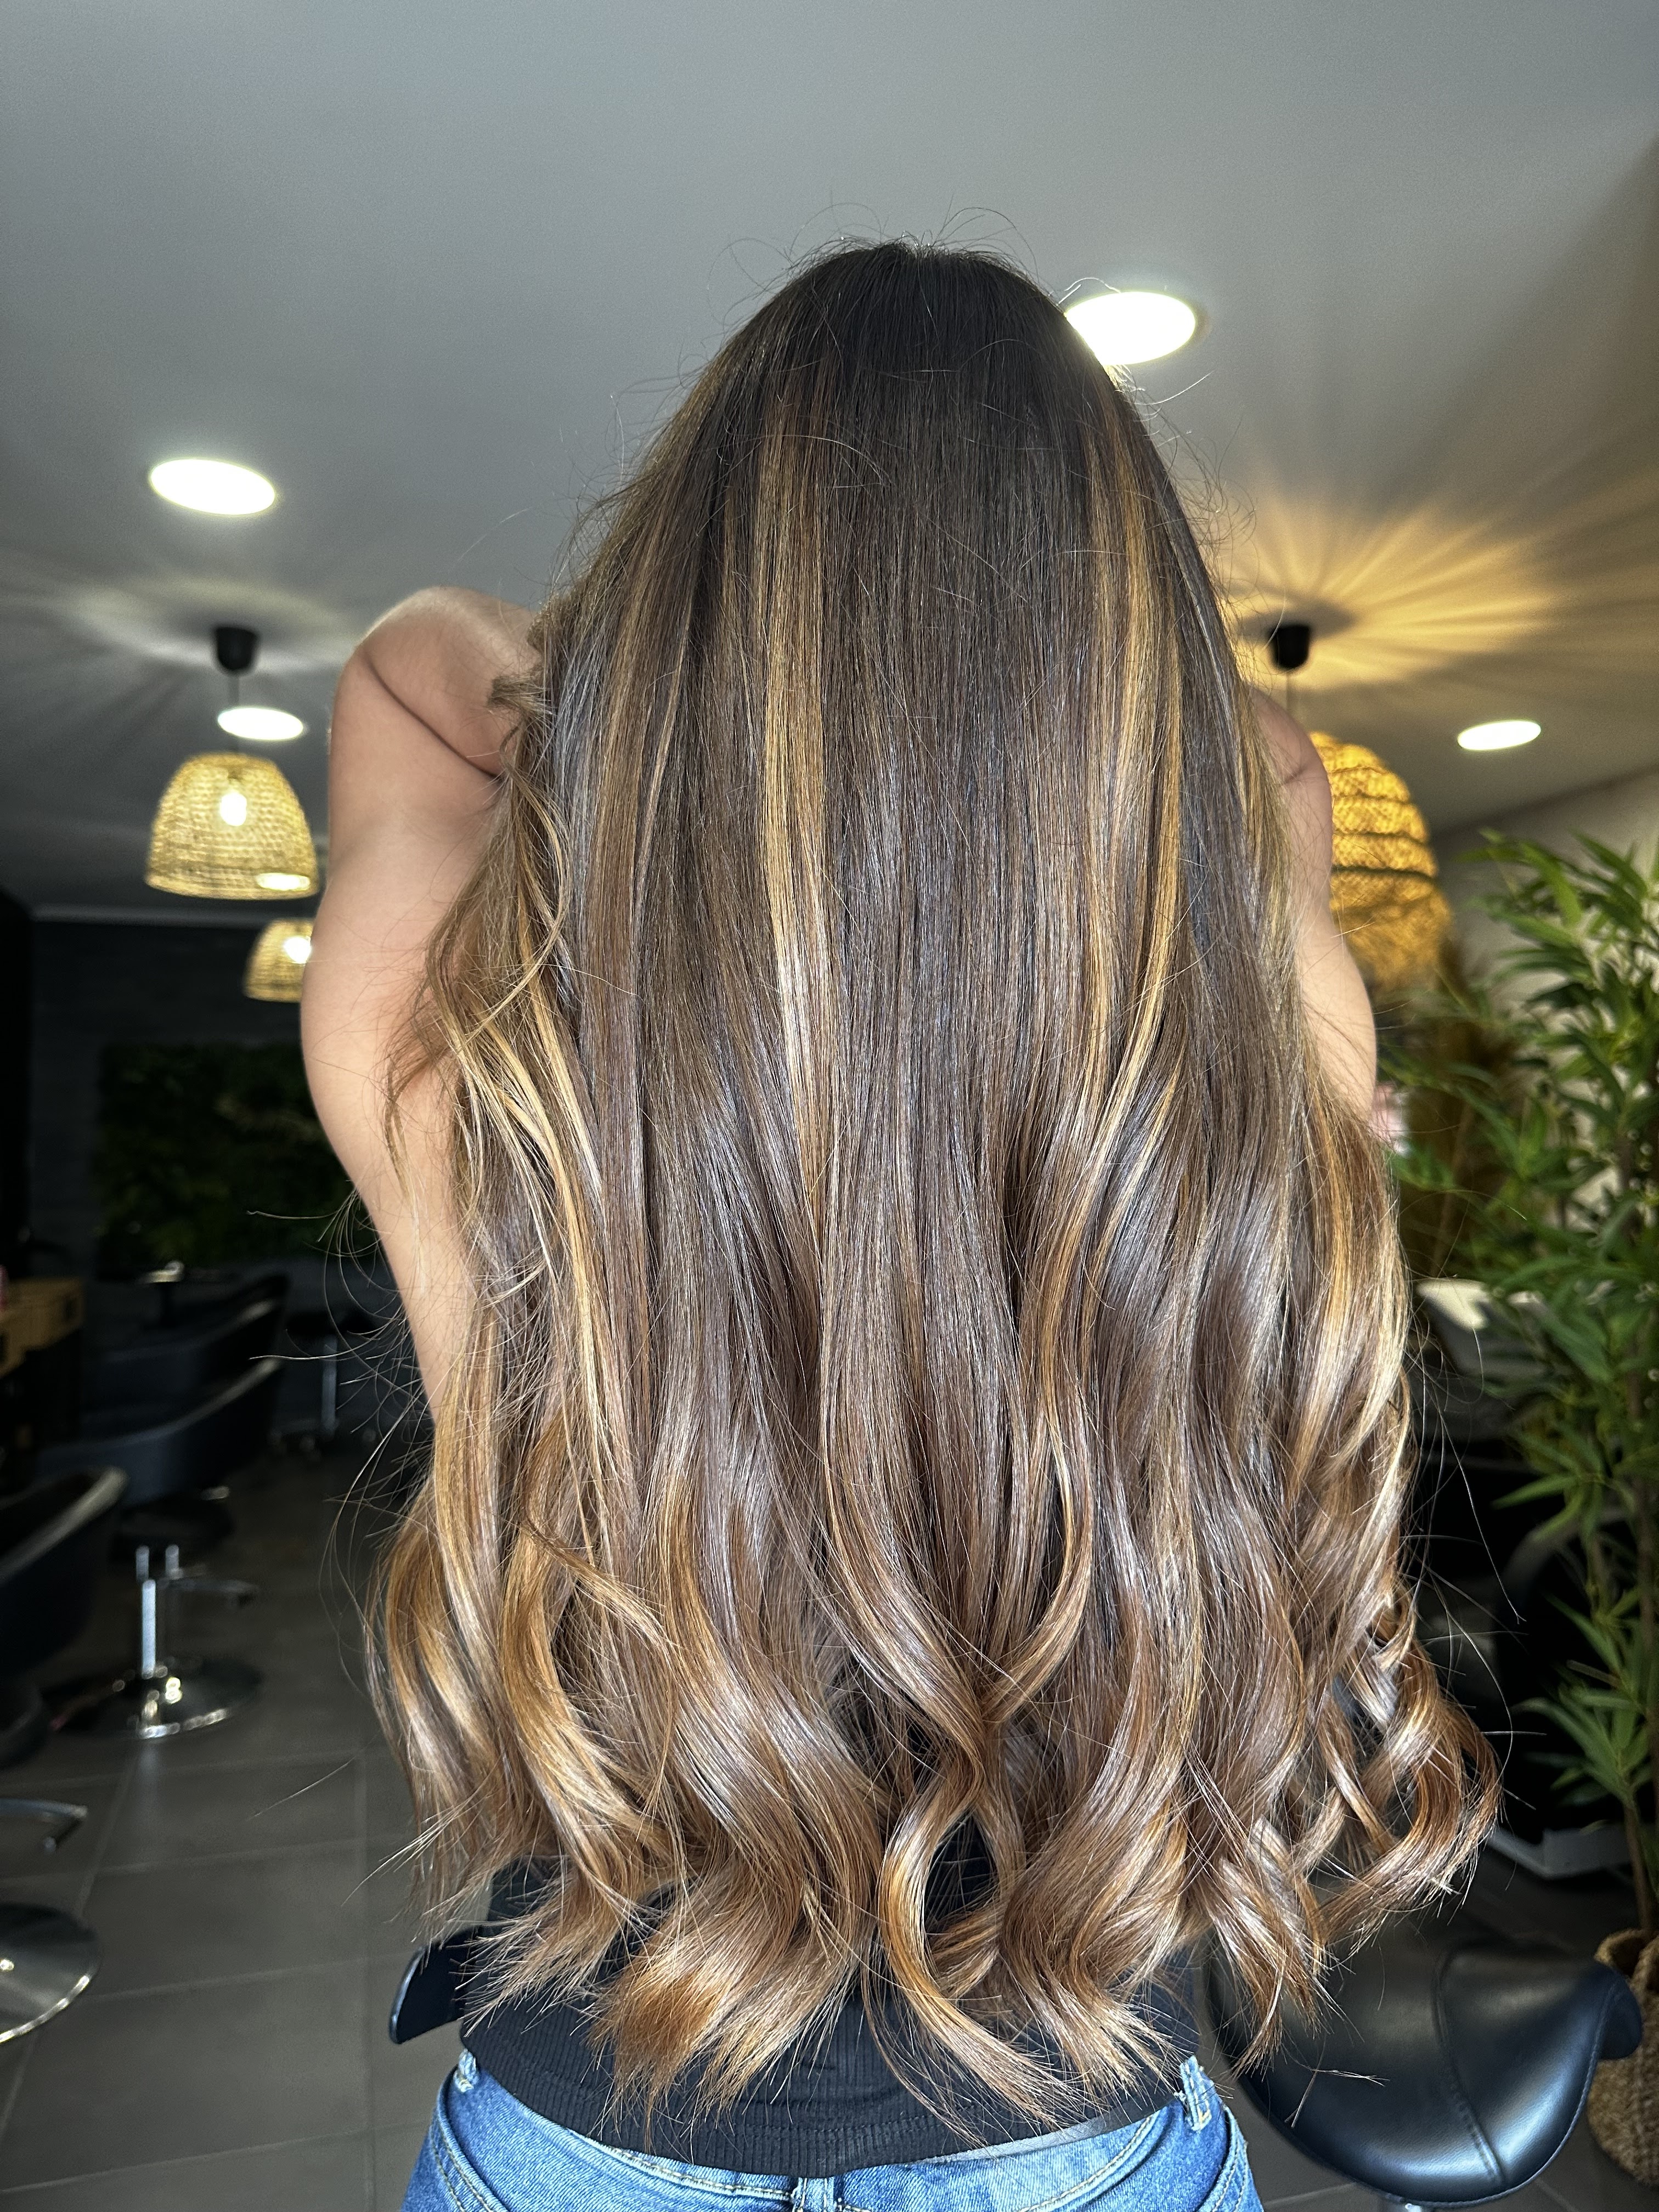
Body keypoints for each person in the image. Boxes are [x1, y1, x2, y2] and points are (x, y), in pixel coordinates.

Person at [303, 242, 1494, 2212]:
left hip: (583, 2135)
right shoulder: (1262, 1069)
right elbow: (1273, 766)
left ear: (676, 649)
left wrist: (633, 690)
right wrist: (1038, 694)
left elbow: (405, 664)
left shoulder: (470, 1064)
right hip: (1074, 2131)